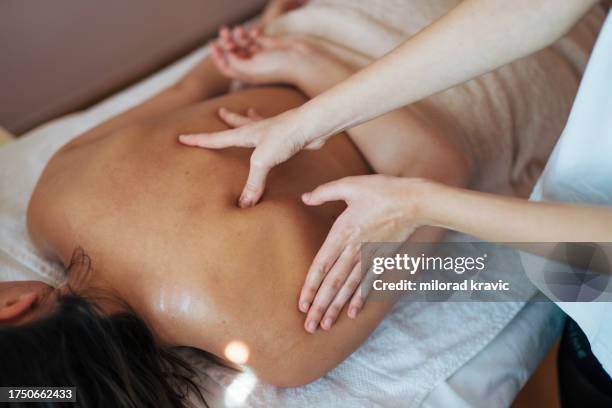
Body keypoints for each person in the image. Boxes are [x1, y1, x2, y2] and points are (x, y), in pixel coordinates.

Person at [0, 0, 600, 406]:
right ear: (15, 306)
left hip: (491, 75)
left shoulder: (285, 344)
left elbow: (440, 170)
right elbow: (200, 80)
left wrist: (306, 69)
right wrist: (288, 47)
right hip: (357, 23)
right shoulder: (56, 195)